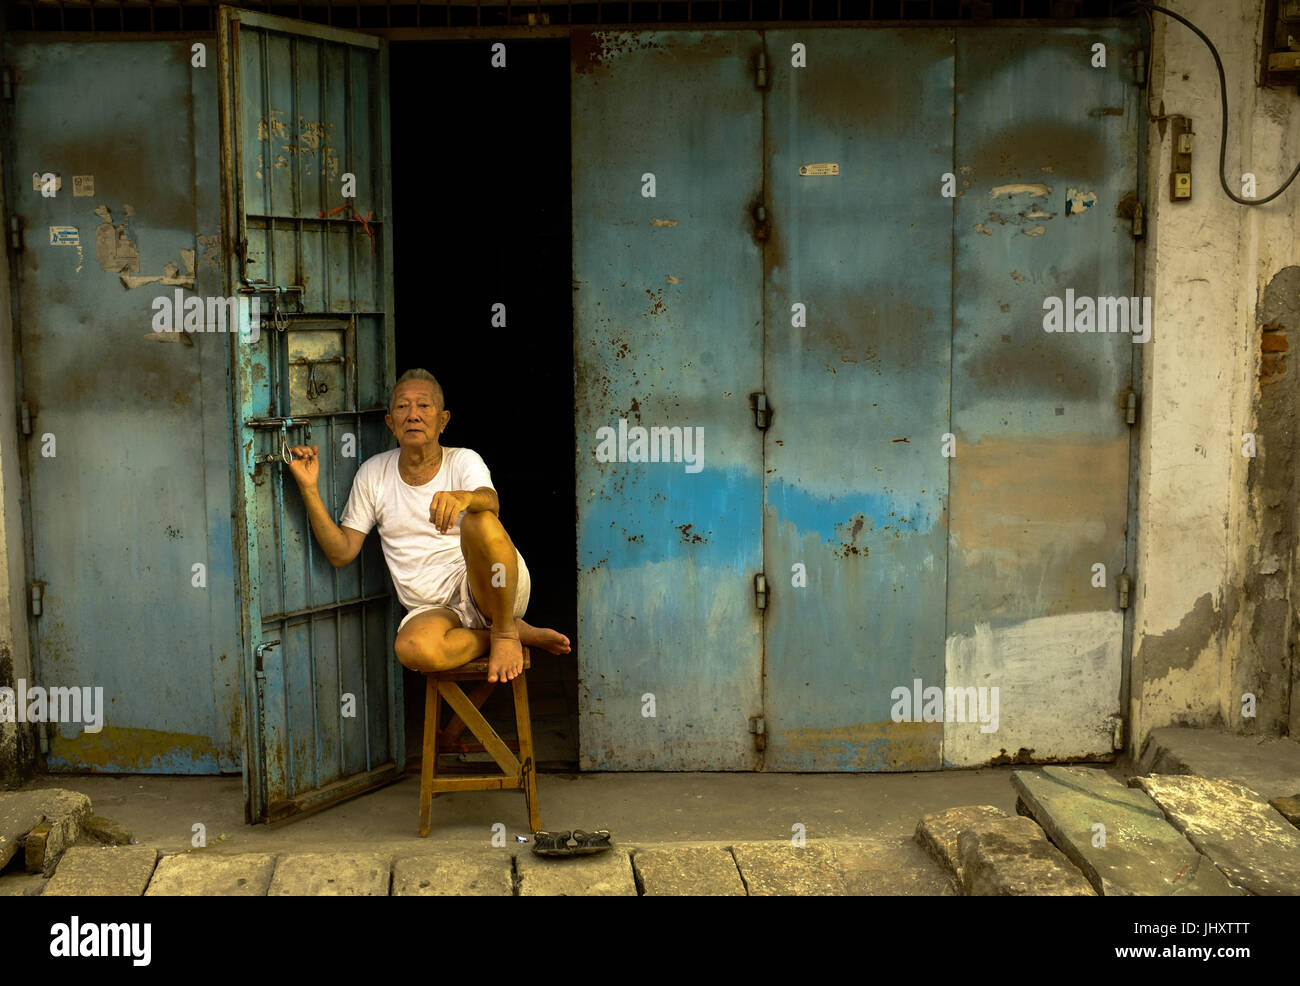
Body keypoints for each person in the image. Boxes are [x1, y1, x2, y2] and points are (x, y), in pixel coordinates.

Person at [287, 368, 570, 683]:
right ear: (390, 422)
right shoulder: (373, 473)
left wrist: (465, 499)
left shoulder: (463, 460)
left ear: (443, 420)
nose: (413, 415)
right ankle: (509, 635)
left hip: (490, 590)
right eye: (402, 407)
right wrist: (309, 489)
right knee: (412, 649)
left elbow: (491, 502)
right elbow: (341, 552)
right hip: (434, 609)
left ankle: (504, 630)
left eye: (424, 406)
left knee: (481, 519)